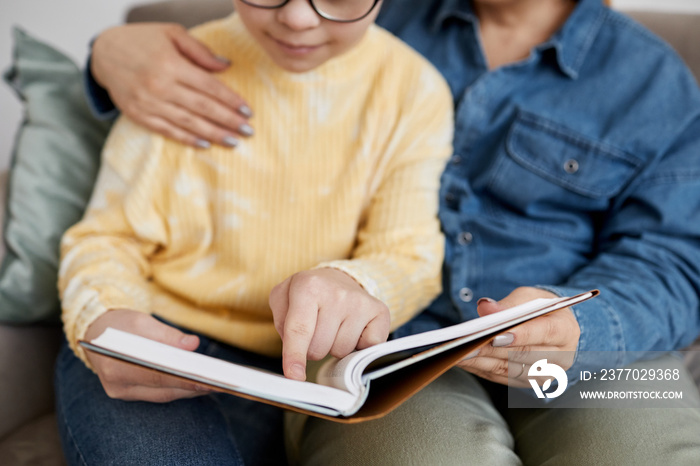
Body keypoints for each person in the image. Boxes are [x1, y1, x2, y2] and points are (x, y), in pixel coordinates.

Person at [85, 0, 700, 464]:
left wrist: (575, 327)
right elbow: (238, 52)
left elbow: (676, 263)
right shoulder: (354, 17)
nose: (302, 17)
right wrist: (107, 51)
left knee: (642, 449)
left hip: (588, 347)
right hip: (387, 345)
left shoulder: (653, 80)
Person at [55, 0, 454, 464]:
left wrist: (354, 284)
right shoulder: (174, 70)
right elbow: (107, 238)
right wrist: (105, 315)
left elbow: (410, 253)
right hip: (159, 341)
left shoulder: (414, 89)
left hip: (316, 369)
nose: (298, 18)